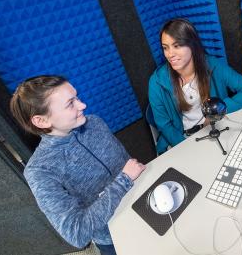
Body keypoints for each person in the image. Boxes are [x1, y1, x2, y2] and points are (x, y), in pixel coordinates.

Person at [10, 75, 145, 255]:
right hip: (115, 236)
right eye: (70, 104)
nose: (82, 106)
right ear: (41, 121)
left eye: (77, 97)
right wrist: (125, 180)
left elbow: (126, 162)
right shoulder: (40, 171)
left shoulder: (94, 122)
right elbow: (76, 232)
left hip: (145, 203)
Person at [148, 18, 242, 154]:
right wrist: (188, 150)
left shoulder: (213, 65)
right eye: (165, 47)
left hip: (216, 127)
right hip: (181, 139)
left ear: (192, 45)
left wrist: (216, 112)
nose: (170, 54)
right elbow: (164, 126)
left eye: (177, 46)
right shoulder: (156, 82)